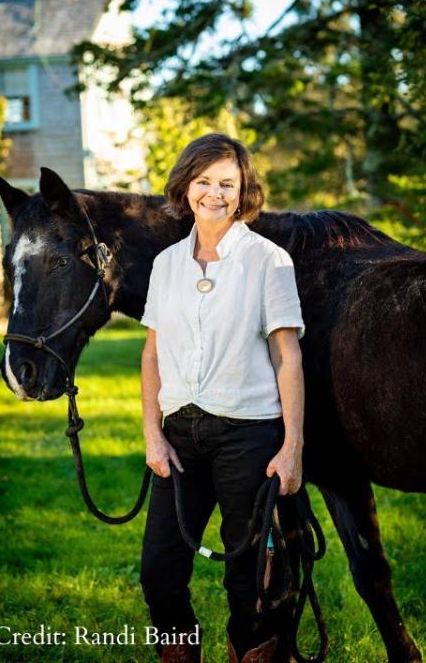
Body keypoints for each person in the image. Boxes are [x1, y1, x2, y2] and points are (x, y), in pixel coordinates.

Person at [139, 133, 305, 663]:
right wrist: (152, 435)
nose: (214, 193)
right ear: (186, 185)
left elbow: (288, 356)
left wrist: (292, 446)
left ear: (243, 191)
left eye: (227, 183)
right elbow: (151, 355)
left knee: (249, 576)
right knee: (159, 572)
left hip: (247, 433)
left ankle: (249, 650)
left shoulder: (267, 260)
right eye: (204, 181)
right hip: (178, 436)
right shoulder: (165, 263)